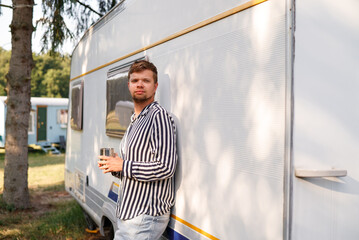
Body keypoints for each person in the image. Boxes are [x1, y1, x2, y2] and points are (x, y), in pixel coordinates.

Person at [98, 60, 177, 240]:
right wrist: (115, 166)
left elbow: (166, 167)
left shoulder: (158, 117)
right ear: (129, 85)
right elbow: (134, 166)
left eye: (146, 81)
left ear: (155, 86)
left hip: (145, 215)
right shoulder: (136, 119)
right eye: (135, 81)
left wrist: (123, 165)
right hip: (130, 212)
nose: (140, 84)